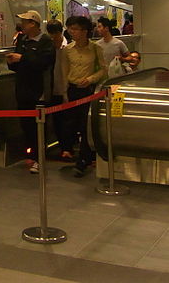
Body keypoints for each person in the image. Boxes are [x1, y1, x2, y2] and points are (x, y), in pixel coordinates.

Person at [6, 11, 55, 174]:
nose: (22, 25)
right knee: (26, 124)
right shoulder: (23, 40)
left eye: (25, 22)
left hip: (39, 90)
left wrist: (22, 58)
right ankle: (31, 154)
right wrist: (12, 61)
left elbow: (43, 63)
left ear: (33, 24)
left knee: (38, 125)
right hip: (22, 89)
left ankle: (39, 158)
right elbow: (19, 64)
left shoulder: (45, 42)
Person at [60, 16, 105, 177]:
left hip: (88, 91)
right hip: (73, 90)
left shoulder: (95, 48)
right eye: (70, 28)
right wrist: (64, 92)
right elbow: (65, 71)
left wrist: (91, 79)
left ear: (85, 31)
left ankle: (83, 160)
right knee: (72, 124)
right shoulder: (67, 49)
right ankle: (74, 152)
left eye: (75, 29)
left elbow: (103, 70)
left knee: (85, 125)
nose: (72, 32)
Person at [46, 20, 70, 160]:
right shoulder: (47, 47)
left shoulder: (68, 47)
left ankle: (67, 147)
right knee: (56, 121)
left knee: (66, 121)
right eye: (51, 34)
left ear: (61, 32)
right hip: (51, 89)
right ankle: (63, 147)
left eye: (55, 33)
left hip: (66, 88)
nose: (53, 37)